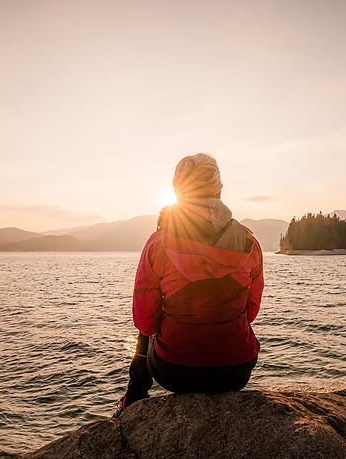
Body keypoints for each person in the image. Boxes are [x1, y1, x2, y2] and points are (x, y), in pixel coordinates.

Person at [113, 152, 264, 417]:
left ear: (178, 191)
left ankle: (133, 400)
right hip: (237, 371)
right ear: (219, 190)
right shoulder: (248, 243)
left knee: (145, 334)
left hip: (175, 372)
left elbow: (145, 322)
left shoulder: (158, 243)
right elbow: (250, 313)